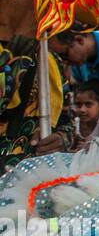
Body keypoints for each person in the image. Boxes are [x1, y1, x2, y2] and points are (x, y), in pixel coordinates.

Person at [0, 35, 70, 169]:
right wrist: (18, 50)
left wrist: (61, 138)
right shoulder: (18, 50)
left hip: (30, 176)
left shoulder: (49, 60)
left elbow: (68, 120)